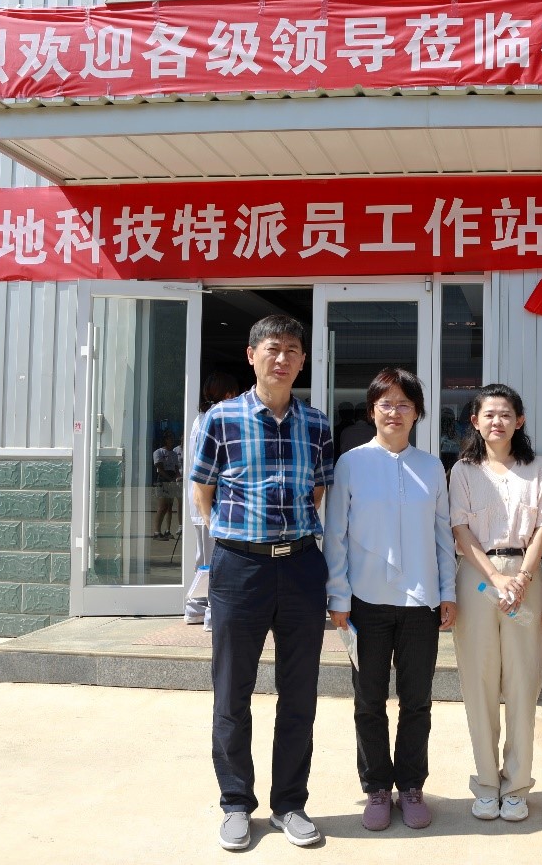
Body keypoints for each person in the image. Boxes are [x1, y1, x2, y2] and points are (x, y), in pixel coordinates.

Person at [189, 314, 334, 852]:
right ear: (252, 355)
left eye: (293, 350)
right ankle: (235, 803)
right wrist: (237, 538)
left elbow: (317, 491)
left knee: (299, 693)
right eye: (273, 348)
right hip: (239, 569)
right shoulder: (220, 419)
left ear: (303, 360)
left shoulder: (316, 424)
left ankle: (289, 803)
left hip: (300, 566)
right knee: (232, 691)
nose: (283, 358)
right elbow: (202, 490)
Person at [324, 368, 457, 832]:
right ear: (371, 411)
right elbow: (335, 535)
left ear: (417, 413)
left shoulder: (431, 467)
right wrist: (338, 595)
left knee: (417, 701)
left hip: (421, 603)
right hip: (366, 602)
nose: (394, 412)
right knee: (369, 701)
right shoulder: (351, 463)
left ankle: (412, 785)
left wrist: (447, 591)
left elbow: (442, 535)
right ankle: (378, 787)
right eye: (386, 403)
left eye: (404, 404)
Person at [449, 383, 542, 822]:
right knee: (479, 682)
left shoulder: (537, 468)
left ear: (519, 420)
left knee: (524, 682)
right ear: (475, 421)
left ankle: (518, 785)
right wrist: (495, 578)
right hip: (478, 580)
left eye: (506, 414)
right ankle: (487, 784)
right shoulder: (463, 470)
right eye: (489, 414)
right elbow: (460, 529)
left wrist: (523, 578)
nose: (497, 421)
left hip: (527, 579)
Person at [184, 373, 239, 626]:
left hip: (198, 499)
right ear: (228, 395)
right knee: (215, 561)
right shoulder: (217, 419)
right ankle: (211, 614)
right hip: (211, 500)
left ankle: (195, 608)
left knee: (203, 559)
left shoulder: (200, 419)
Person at [152, 431, 180, 540]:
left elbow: (176, 469)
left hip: (172, 482)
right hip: (163, 481)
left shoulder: (174, 454)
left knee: (169, 507)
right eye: (169, 438)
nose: (171, 440)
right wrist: (169, 479)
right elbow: (160, 469)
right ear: (165, 439)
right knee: (162, 507)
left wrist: (177, 478)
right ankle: (156, 532)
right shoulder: (158, 452)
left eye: (172, 438)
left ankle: (167, 530)